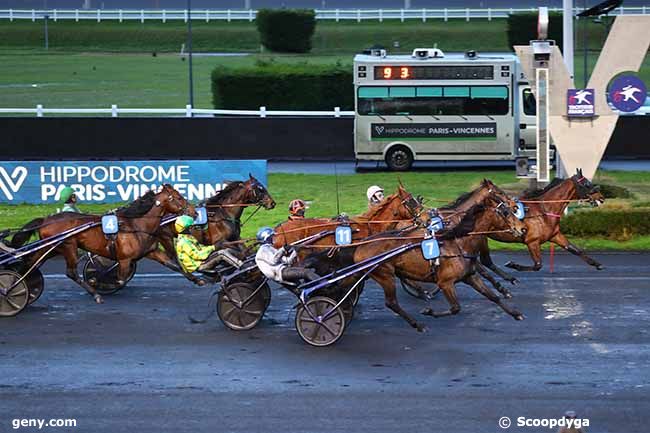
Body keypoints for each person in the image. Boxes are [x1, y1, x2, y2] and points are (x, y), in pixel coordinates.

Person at [174, 215, 243, 273]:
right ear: (185, 229)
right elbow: (199, 255)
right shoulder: (184, 242)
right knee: (222, 253)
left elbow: (202, 248)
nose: (193, 228)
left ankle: (243, 260)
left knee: (227, 250)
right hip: (199, 266)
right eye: (191, 227)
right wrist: (213, 248)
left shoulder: (188, 237)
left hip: (202, 261)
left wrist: (214, 247)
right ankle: (242, 266)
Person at [254, 227, 320, 284]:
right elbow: (273, 261)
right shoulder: (263, 250)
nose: (274, 238)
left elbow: (287, 261)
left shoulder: (271, 248)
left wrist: (295, 250)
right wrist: (283, 249)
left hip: (284, 269)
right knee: (306, 272)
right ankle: (326, 285)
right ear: (267, 239)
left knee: (312, 264)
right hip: (280, 273)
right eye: (272, 237)